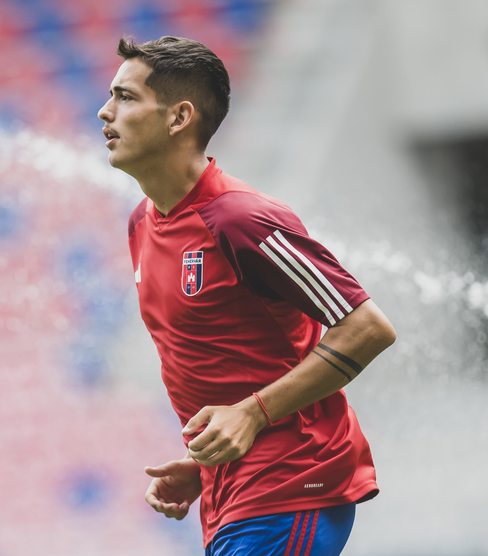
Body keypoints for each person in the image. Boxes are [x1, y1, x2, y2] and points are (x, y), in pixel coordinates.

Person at [98, 36, 396, 556]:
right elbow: (231, 355)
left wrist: (253, 414)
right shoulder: (142, 223)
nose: (105, 112)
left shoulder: (239, 219)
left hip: (291, 483)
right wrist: (204, 463)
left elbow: (367, 328)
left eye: (125, 97)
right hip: (233, 492)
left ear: (179, 117)